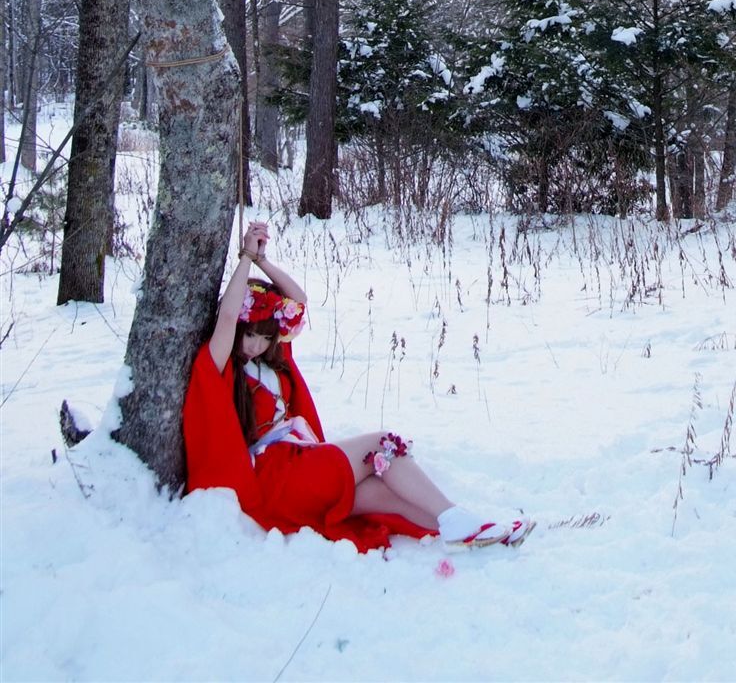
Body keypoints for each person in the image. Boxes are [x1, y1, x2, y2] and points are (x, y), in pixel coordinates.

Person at [183, 220, 533, 554]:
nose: (256, 345)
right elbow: (229, 317)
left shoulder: (275, 361)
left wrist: (263, 260)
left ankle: (474, 531)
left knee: (380, 493)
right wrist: (244, 258)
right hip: (278, 473)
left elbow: (298, 301)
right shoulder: (224, 367)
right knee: (385, 445)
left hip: (299, 464)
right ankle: (456, 518)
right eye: (250, 336)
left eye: (264, 337)